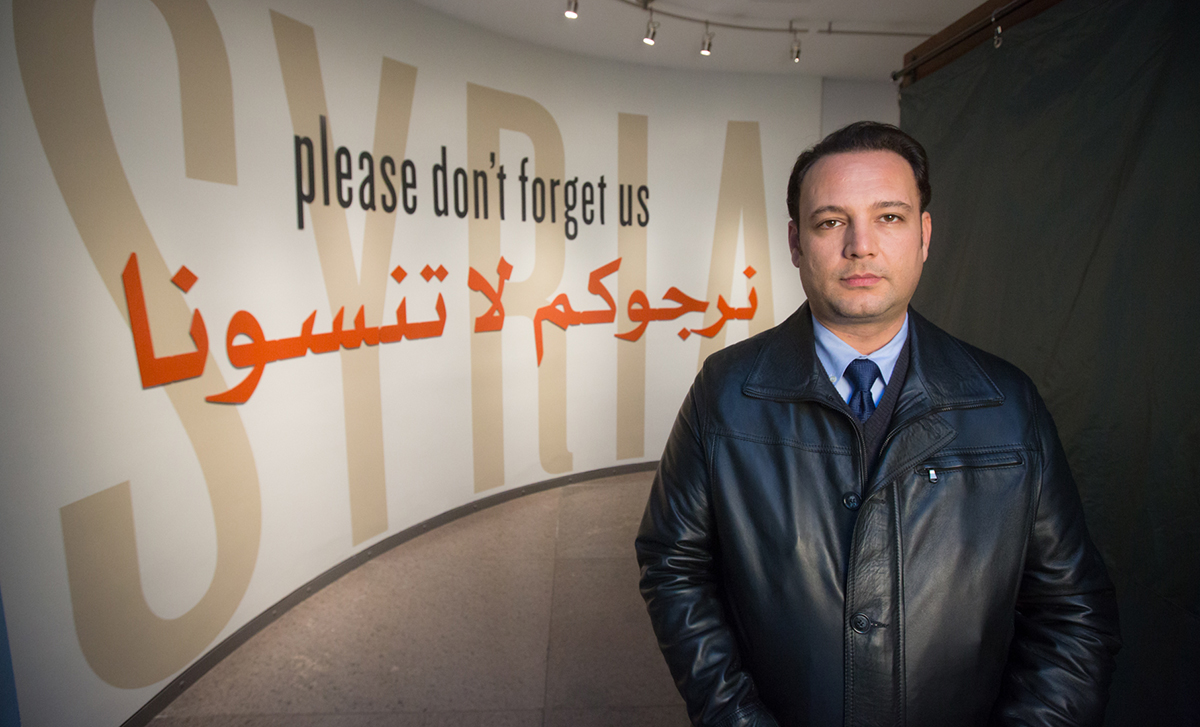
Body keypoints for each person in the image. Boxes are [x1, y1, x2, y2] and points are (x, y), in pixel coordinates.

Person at [635, 121, 1120, 727]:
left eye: (888, 217)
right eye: (831, 221)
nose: (859, 245)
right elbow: (673, 565)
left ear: (924, 234)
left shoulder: (1006, 403)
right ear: (795, 242)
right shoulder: (726, 392)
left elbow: (1072, 612)